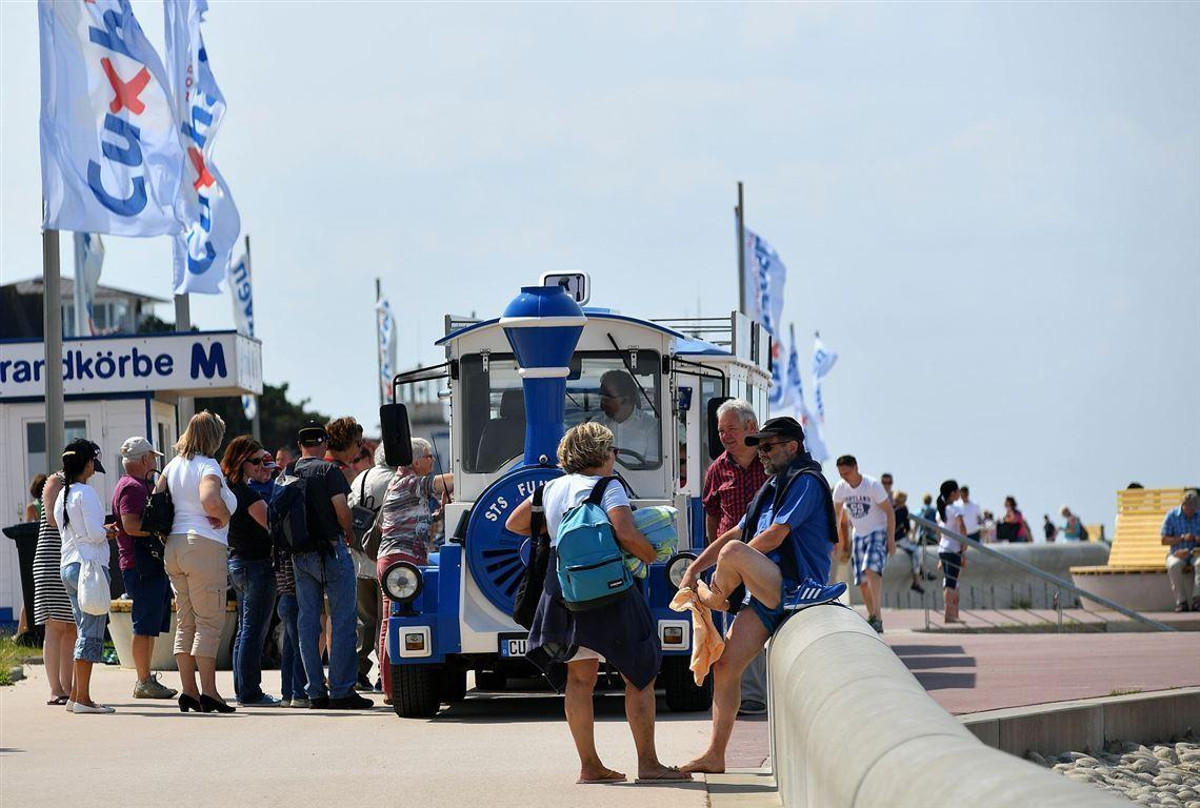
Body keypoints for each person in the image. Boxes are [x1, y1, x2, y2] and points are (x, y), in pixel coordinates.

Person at [505, 422, 688, 785]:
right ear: (603, 453)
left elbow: (514, 523)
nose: (615, 456)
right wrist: (650, 555)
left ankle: (590, 766)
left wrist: (554, 531)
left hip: (564, 589)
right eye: (612, 450)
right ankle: (649, 764)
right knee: (640, 673)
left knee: (579, 678)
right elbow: (626, 532)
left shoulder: (550, 488)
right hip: (610, 589)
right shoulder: (608, 486)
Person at [676, 416, 844, 775]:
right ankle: (715, 755)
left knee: (733, 553)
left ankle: (716, 599)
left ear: (792, 447)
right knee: (725, 667)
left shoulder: (806, 481)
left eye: (767, 446)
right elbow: (736, 531)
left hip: (795, 587)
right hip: (767, 590)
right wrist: (693, 568)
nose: (761, 453)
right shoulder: (772, 485)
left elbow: (776, 535)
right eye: (759, 447)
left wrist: (733, 567)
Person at [158, 410, 238, 713]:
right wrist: (225, 516)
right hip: (203, 545)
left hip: (175, 546)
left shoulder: (172, 465)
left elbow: (157, 500)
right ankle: (210, 692)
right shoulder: (208, 465)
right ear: (214, 437)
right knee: (209, 622)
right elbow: (209, 500)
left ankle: (188, 691)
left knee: (186, 621)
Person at [290, 420, 373, 710]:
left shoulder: (289, 471)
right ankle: (341, 690)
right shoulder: (329, 471)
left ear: (300, 445)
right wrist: (348, 532)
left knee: (308, 624)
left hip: (300, 555)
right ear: (324, 444)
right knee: (343, 621)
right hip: (331, 551)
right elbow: (342, 511)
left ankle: (315, 691)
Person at [701, 399, 769, 716]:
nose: (725, 436)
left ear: (751, 427)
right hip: (731, 560)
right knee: (737, 620)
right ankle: (748, 695)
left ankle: (760, 692)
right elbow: (712, 514)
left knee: (766, 618)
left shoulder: (770, 463)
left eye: (731, 428)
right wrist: (715, 553)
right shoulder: (717, 469)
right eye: (720, 430)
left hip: (769, 556)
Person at [375, 437, 453, 704]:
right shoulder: (407, 481)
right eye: (429, 456)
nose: (432, 460)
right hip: (399, 558)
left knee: (394, 620)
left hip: (407, 557)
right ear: (416, 461)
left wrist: (438, 514)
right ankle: (390, 688)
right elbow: (444, 482)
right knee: (392, 622)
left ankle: (391, 684)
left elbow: (418, 521)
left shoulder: (409, 484)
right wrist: (466, 473)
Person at [112, 436, 177, 700]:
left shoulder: (134, 484)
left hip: (144, 563)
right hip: (141, 564)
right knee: (143, 625)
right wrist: (160, 530)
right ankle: (142, 680)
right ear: (143, 459)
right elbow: (130, 525)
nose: (155, 463)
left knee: (149, 625)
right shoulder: (132, 487)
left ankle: (146, 678)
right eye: (152, 458)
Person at [53, 439, 115, 713]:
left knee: (82, 629)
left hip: (68, 565)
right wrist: (108, 531)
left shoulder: (62, 495)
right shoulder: (86, 493)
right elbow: (94, 533)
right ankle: (83, 699)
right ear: (88, 463)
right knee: (90, 632)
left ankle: (76, 696)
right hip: (89, 566)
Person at [220, 435, 281, 707]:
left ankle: (243, 689)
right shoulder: (246, 494)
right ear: (241, 461)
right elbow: (273, 525)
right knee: (253, 631)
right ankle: (250, 691)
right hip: (255, 565)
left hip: (238, 563)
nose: (261, 466)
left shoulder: (229, 489)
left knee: (245, 630)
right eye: (255, 461)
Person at [348, 444, 396, 692]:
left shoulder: (361, 478)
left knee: (365, 621)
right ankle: (384, 674)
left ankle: (357, 670)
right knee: (385, 620)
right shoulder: (396, 480)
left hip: (358, 558)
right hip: (384, 558)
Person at [832, 455, 895, 633]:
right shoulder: (841, 488)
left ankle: (878, 616)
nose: (844, 477)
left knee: (871, 569)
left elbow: (890, 512)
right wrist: (836, 539)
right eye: (841, 474)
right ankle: (873, 616)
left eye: (847, 473)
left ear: (856, 468)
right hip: (858, 534)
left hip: (877, 531)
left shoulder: (872, 485)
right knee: (861, 581)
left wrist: (891, 539)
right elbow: (837, 515)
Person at [32, 467, 75, 706]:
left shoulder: (79, 486)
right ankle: (55, 689)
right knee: (55, 626)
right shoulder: (55, 482)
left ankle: (67, 687)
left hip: (70, 560)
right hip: (50, 562)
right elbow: (51, 518)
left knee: (71, 627)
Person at [593, 369, 659, 464]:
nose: (601, 405)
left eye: (607, 399)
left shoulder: (651, 426)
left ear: (626, 400)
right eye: (601, 397)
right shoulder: (594, 426)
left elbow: (653, 465)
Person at [1161, 489, 1200, 613]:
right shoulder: (1172, 516)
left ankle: (1197, 600)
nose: (1191, 511)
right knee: (1174, 565)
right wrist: (1182, 538)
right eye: (1189, 508)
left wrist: (1196, 539)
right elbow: (1164, 540)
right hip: (1177, 553)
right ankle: (1181, 602)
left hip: (1195, 553)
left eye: (1194, 508)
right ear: (1183, 505)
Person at [937, 480, 968, 623]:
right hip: (953, 548)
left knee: (949, 581)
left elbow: (940, 532)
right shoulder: (956, 508)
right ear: (952, 493)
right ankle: (949, 615)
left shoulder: (941, 510)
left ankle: (952, 614)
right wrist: (964, 544)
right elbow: (961, 527)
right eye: (957, 491)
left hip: (943, 548)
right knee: (951, 582)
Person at [891, 490, 924, 593]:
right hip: (900, 539)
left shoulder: (890, 508)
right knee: (917, 551)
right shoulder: (903, 509)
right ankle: (917, 579)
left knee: (914, 550)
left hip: (890, 539)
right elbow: (907, 527)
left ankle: (921, 571)